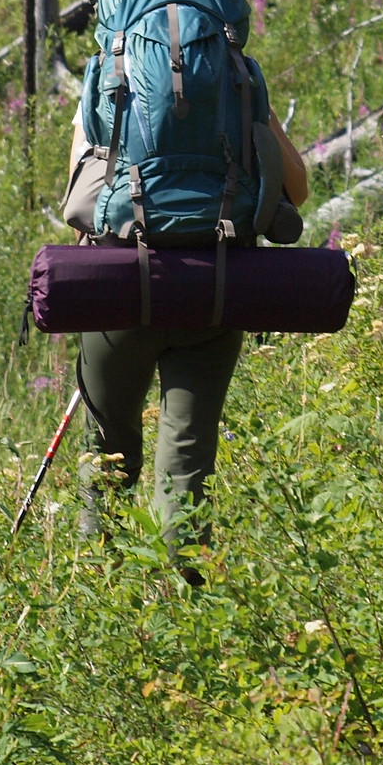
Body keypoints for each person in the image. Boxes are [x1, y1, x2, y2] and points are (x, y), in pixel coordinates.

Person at [65, 106, 309, 541]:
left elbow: (79, 202)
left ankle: (99, 580)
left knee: (107, 447)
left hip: (122, 289)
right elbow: (299, 189)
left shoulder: (111, 66)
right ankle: (187, 590)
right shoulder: (236, 70)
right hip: (211, 287)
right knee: (188, 453)